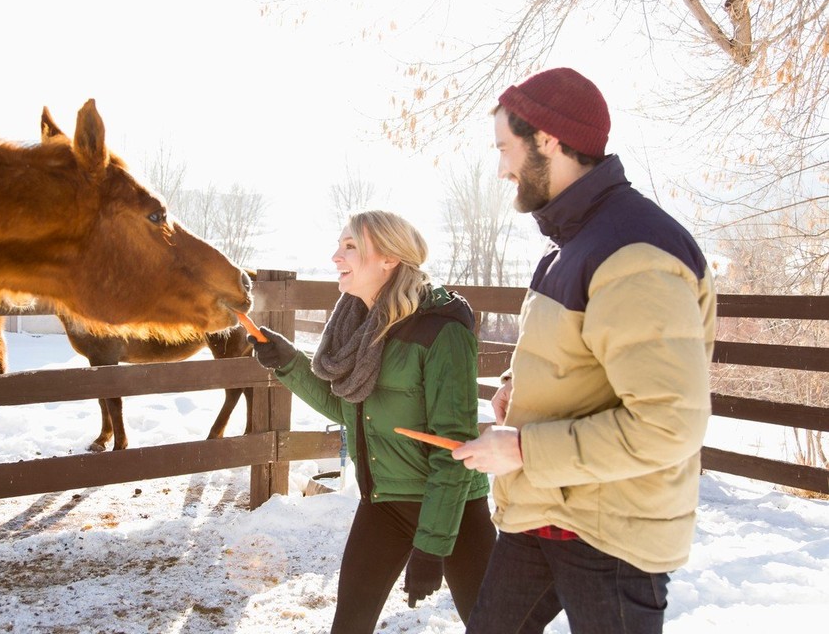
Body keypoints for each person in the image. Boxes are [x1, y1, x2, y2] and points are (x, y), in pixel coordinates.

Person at [451, 67, 717, 634]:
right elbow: (582, 364)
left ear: (547, 139)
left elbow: (668, 423)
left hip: (610, 535)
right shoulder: (575, 242)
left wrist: (523, 448)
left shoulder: (633, 251)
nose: (501, 169)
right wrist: (516, 392)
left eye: (506, 149)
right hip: (545, 514)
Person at [248, 210, 496, 633]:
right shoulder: (359, 322)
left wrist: (432, 546)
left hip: (452, 511)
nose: (335, 257)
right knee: (348, 627)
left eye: (350, 247)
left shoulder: (441, 329)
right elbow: (347, 406)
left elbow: (453, 449)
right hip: (382, 503)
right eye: (340, 245)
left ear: (389, 259)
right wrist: (289, 362)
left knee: (495, 626)